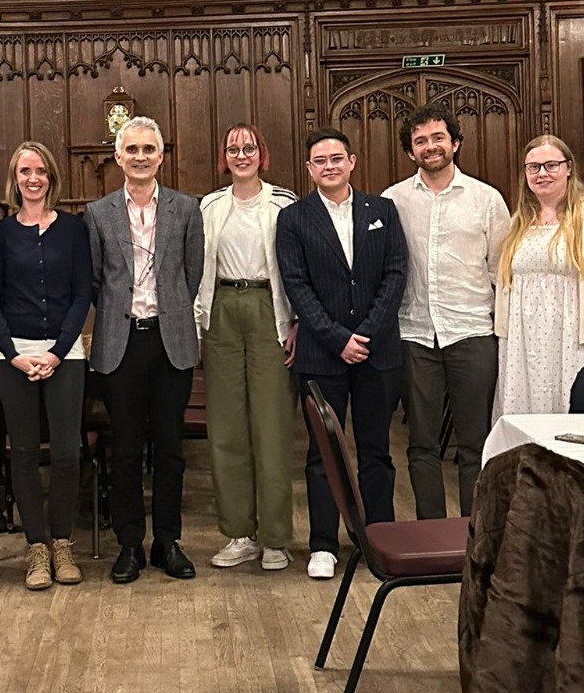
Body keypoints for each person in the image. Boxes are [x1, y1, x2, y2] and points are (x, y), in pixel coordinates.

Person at [275, 129, 407, 578]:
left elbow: (395, 274)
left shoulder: (382, 211)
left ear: (352, 161)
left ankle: (380, 539)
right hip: (321, 353)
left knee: (376, 450)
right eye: (320, 160)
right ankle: (323, 545)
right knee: (322, 454)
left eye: (336, 158)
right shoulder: (293, 219)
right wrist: (338, 339)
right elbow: (297, 285)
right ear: (309, 169)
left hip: (376, 351)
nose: (329, 166)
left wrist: (365, 335)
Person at [85, 116, 204, 584]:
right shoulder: (98, 213)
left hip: (170, 341)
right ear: (118, 157)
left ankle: (167, 542)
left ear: (161, 156)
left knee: (171, 448)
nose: (140, 157)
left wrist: (169, 311)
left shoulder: (186, 208)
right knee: (126, 449)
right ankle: (130, 543)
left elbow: (192, 273)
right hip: (121, 343)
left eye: (148, 149)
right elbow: (96, 281)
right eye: (131, 149)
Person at [383, 105, 510, 518]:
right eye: (420, 141)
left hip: (472, 333)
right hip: (414, 334)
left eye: (438, 137)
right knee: (421, 444)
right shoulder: (392, 201)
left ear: (454, 143)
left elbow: (501, 273)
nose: (430, 146)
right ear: (410, 151)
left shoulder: (486, 199)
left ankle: (475, 536)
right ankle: (430, 533)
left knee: (474, 444)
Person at [0, 141, 92, 591]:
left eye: (40, 171)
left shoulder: (73, 229)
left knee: (66, 452)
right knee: (23, 453)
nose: (33, 178)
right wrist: (14, 354)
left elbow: (82, 295)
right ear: (15, 178)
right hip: (12, 356)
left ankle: (62, 543)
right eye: (25, 171)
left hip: (64, 355)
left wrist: (56, 352)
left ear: (51, 177)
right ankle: (36, 548)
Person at [195, 123, 297, 571]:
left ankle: (275, 538)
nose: (241, 155)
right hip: (222, 309)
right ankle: (240, 533)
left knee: (271, 427)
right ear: (224, 156)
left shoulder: (283, 203)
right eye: (233, 148)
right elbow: (199, 267)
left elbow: (295, 266)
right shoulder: (210, 206)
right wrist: (199, 323)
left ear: (262, 154)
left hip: (267, 309)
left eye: (249, 147)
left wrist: (295, 321)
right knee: (227, 428)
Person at [495, 133, 584, 416]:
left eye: (552, 165)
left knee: (578, 420)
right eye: (533, 167)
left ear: (569, 168)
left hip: (580, 345)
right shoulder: (518, 222)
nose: (542, 174)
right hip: (525, 348)